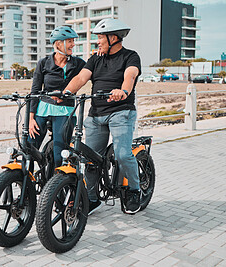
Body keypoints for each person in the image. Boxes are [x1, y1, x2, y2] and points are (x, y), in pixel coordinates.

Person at [61, 18, 142, 214]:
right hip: (96, 114)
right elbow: (81, 78)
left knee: (123, 154)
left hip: (121, 112)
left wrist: (123, 91)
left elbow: (129, 76)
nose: (97, 42)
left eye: (100, 38)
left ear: (113, 38)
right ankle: (91, 198)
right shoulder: (95, 58)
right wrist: (65, 92)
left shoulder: (130, 57)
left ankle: (134, 191)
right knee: (90, 159)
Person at [29, 26, 86, 168]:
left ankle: (56, 187)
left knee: (59, 155)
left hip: (65, 111)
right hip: (42, 111)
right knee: (29, 149)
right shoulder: (43, 63)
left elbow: (92, 72)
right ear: (58, 43)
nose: (73, 44)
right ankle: (27, 184)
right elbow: (35, 90)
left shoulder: (78, 63)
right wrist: (30, 119)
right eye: (70, 41)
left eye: (73, 41)